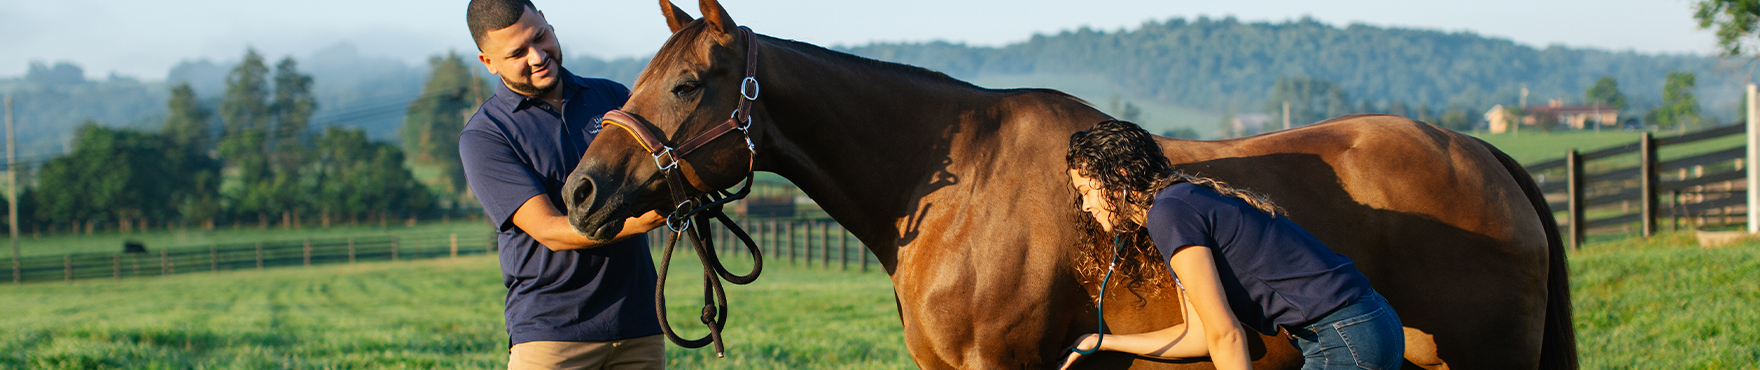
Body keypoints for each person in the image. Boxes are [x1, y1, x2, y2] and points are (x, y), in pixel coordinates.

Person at [1058, 120, 1404, 370]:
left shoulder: (1170, 215)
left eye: (1087, 191)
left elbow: (1228, 336)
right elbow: (1201, 335)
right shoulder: (1179, 204)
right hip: (1367, 325)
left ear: (1119, 179)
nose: (1086, 206)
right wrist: (1103, 341)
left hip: (1344, 338)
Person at [458, 1, 669, 369]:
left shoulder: (614, 98)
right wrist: (648, 218)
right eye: (517, 53)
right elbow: (551, 230)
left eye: (540, 37)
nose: (538, 56)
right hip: (551, 337)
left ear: (548, 24)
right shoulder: (485, 136)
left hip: (639, 325)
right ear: (488, 63)